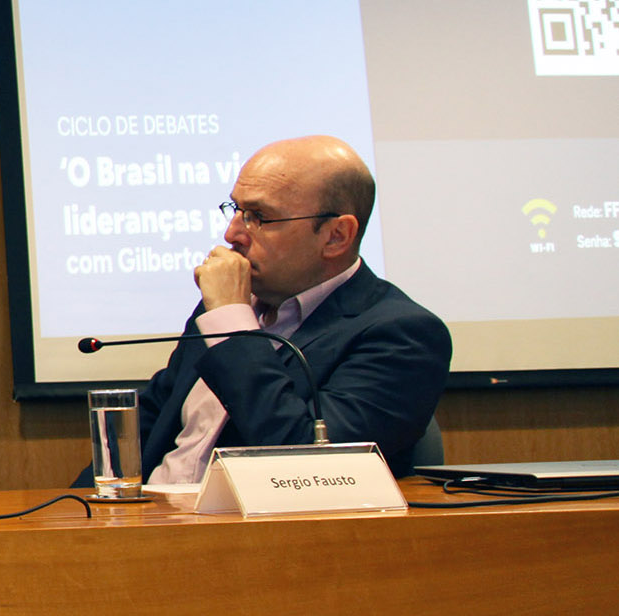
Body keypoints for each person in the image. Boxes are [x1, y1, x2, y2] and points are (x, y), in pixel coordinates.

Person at [85, 135, 451, 486]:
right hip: (154, 513)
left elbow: (309, 467)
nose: (232, 234)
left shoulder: (402, 334)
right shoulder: (226, 305)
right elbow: (152, 422)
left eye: (259, 216)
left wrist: (232, 321)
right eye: (236, 209)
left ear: (336, 236)